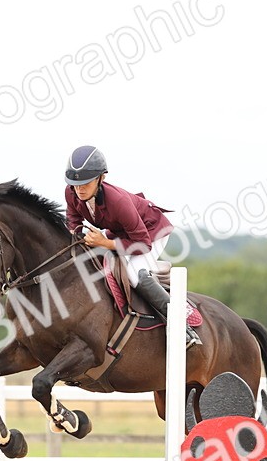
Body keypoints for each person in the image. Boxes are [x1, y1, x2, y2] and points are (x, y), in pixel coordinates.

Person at [63, 145, 201, 347]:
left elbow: (143, 244)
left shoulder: (117, 201)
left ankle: (181, 325)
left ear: (101, 178)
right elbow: (73, 220)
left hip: (151, 233)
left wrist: (105, 243)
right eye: (75, 184)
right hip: (121, 233)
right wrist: (76, 237)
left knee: (135, 274)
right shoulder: (71, 193)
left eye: (85, 183)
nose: (79, 189)